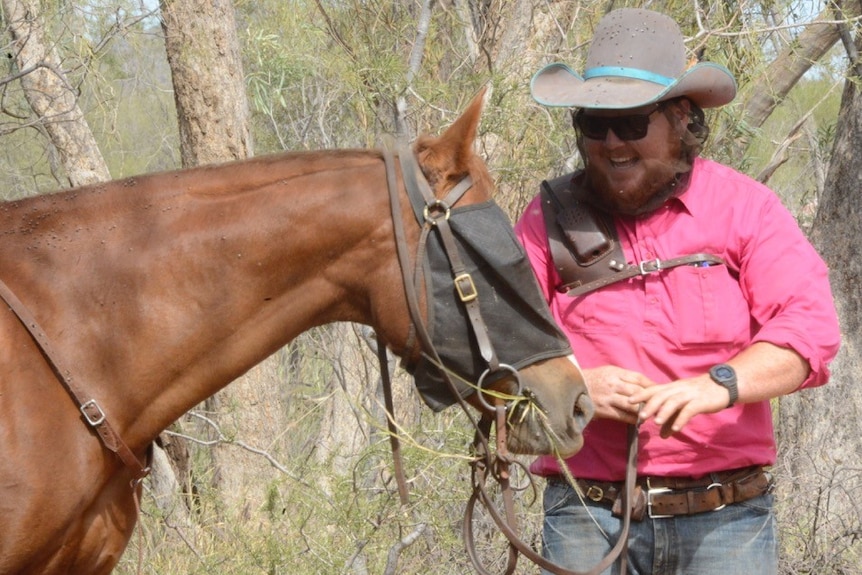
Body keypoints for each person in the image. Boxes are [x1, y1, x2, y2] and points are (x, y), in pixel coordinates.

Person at [514, 8, 841, 575]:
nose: (612, 142)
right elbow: (497, 350)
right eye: (596, 123)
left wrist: (718, 386)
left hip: (728, 521)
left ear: (682, 119)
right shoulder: (546, 221)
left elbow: (809, 330)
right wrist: (575, 386)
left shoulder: (745, 209)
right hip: (586, 516)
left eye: (633, 122)